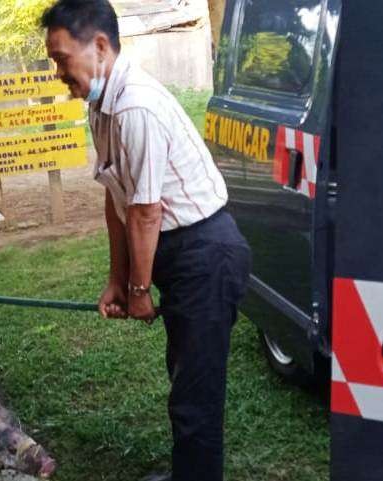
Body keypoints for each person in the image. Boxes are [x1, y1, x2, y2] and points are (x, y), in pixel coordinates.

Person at [42, 1, 252, 480]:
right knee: (183, 379)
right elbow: (117, 203)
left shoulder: (135, 105)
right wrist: (118, 281)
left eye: (60, 58)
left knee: (195, 396)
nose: (58, 72)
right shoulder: (101, 107)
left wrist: (139, 291)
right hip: (176, 252)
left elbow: (145, 211)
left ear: (98, 46)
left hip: (205, 252)